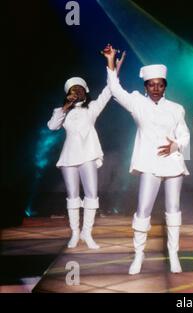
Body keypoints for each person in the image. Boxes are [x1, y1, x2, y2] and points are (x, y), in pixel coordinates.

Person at [103, 45, 190, 275]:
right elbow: (114, 88)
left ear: (165, 86)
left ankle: (173, 254)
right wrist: (111, 61)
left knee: (173, 209)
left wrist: (175, 145)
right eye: (151, 84)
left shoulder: (176, 108)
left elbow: (185, 134)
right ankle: (138, 255)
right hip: (149, 164)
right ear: (145, 86)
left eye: (160, 84)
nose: (155, 88)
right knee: (143, 210)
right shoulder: (137, 103)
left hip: (173, 163)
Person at [47, 51, 125, 249]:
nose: (77, 91)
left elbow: (108, 91)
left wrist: (113, 68)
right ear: (68, 93)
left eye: (80, 89)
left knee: (91, 194)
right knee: (72, 195)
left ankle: (87, 233)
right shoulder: (63, 113)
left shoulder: (92, 109)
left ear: (86, 91)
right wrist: (64, 108)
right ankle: (74, 233)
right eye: (73, 89)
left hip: (88, 154)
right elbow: (51, 126)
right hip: (69, 156)